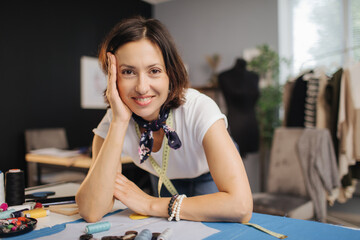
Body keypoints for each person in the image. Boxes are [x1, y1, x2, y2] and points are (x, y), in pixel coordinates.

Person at [76, 16, 252, 224]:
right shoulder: (115, 118)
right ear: (113, 77)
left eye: (154, 71)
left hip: (208, 175)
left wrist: (149, 204)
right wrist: (119, 123)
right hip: (164, 177)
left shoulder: (199, 108)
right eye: (128, 72)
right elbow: (91, 210)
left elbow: (240, 207)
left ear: (171, 74)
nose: (142, 87)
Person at [218, 58, 260, 158]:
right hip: (234, 123)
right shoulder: (223, 76)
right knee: (234, 153)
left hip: (251, 123)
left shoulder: (255, 77)